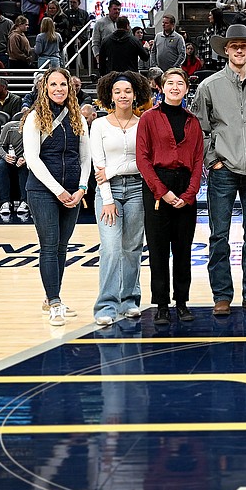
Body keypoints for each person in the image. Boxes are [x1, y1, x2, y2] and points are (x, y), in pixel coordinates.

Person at [191, 24, 246, 316]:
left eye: (244, 45)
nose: (239, 49)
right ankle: (222, 295)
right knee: (219, 236)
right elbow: (200, 129)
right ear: (225, 50)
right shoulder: (209, 86)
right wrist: (213, 160)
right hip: (223, 170)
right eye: (233, 45)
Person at [22, 68, 91, 327]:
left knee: (62, 246)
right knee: (50, 245)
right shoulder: (34, 118)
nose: (59, 88)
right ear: (45, 88)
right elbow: (33, 160)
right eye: (53, 84)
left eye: (63, 84)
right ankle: (54, 302)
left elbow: (86, 158)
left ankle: (53, 296)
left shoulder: (78, 118)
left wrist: (82, 187)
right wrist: (58, 191)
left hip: (73, 191)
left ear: (70, 88)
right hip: (42, 191)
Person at [137, 68, 204, 325]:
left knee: (183, 249)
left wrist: (189, 194)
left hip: (185, 185)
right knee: (158, 249)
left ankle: (182, 302)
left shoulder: (193, 121)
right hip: (158, 185)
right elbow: (143, 159)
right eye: (170, 83)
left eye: (180, 83)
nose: (175, 87)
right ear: (161, 87)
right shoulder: (148, 119)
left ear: (187, 89)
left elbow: (198, 160)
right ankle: (162, 305)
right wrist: (162, 191)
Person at [89, 71, 150, 325]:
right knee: (111, 248)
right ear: (110, 96)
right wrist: (108, 199)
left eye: (127, 91)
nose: (123, 95)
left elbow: (142, 162)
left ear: (135, 94)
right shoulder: (99, 125)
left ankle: (130, 300)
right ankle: (106, 305)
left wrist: (113, 169)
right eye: (117, 92)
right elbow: (98, 166)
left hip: (137, 188)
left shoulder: (144, 123)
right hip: (108, 192)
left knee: (132, 248)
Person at [0, 108, 29, 216]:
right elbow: (0, 146)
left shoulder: (39, 129)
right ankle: (4, 202)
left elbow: (40, 148)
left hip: (28, 159)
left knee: (26, 167)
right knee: (1, 166)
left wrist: (26, 158)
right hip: (10, 157)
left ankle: (25, 201)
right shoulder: (9, 127)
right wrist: (6, 156)